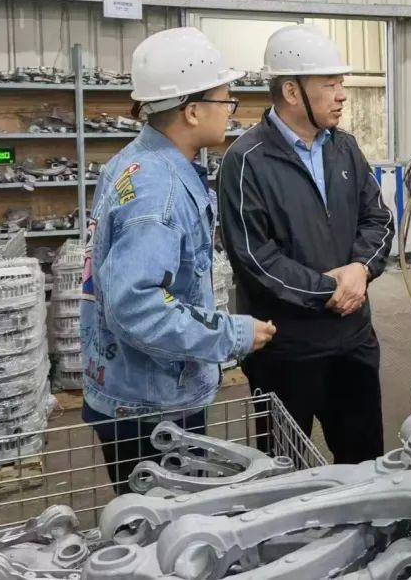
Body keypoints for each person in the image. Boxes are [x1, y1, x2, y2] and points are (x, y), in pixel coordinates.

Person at [80, 28, 275, 494]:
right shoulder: (160, 190)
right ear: (192, 110)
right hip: (152, 406)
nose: (231, 111)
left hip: (132, 387)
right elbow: (137, 307)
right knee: (163, 523)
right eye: (225, 101)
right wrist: (232, 334)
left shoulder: (134, 162)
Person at [218, 24, 394, 465]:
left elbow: (378, 219)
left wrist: (360, 269)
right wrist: (327, 289)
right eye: (330, 84)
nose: (342, 95)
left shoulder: (345, 149)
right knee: (286, 472)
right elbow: (255, 258)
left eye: (340, 83)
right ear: (292, 92)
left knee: (365, 465)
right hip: (286, 351)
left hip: (352, 344)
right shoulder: (246, 161)